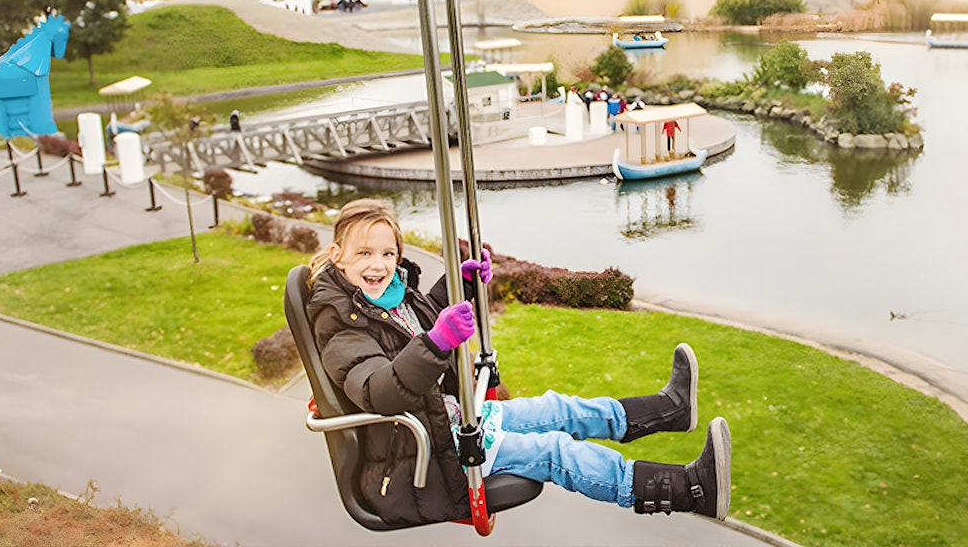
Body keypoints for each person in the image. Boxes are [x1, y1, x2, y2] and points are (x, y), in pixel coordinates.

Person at [306, 199, 731, 527]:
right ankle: (691, 489)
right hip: (426, 457)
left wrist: (463, 287)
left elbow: (419, 323)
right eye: (364, 253)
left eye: (387, 254)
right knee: (555, 452)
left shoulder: (390, 294)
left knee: (558, 409)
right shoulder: (340, 323)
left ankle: (668, 410)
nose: (378, 265)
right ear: (337, 254)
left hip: (453, 420)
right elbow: (379, 389)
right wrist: (437, 343)